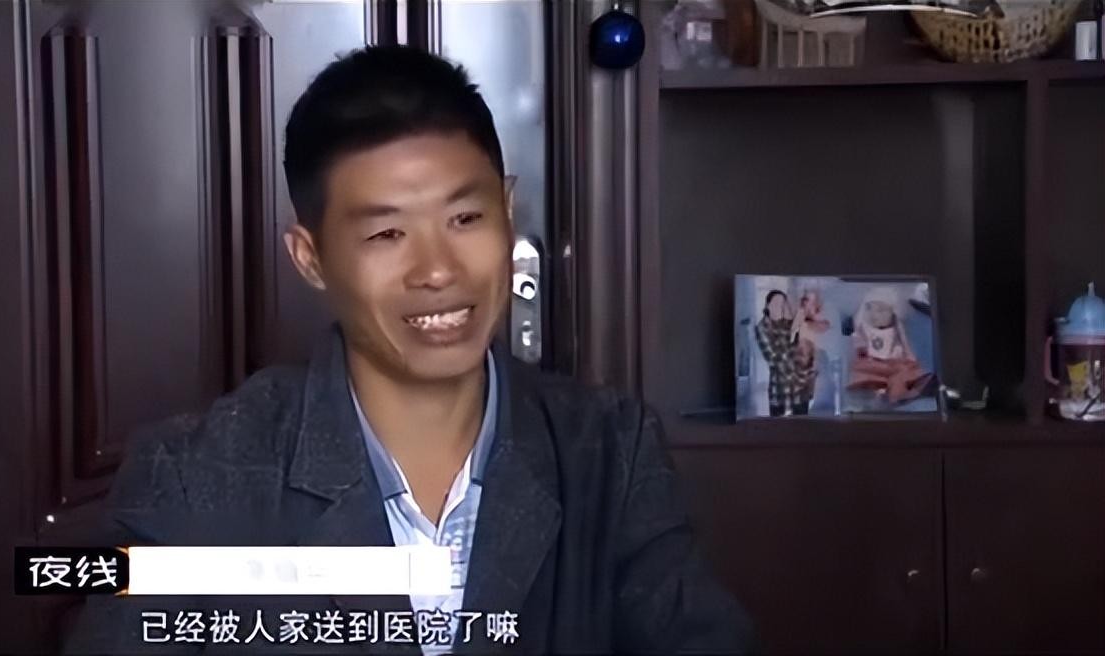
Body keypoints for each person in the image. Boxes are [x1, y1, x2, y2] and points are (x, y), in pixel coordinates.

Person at [64, 45, 753, 654]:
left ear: (507, 208)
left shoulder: (609, 451)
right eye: (386, 235)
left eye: (465, 218)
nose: (438, 270)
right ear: (310, 257)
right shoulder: (198, 475)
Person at [846, 287, 934, 404]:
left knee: (902, 375)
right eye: (869, 308)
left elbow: (905, 344)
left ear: (892, 312)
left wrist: (908, 356)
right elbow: (858, 343)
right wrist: (860, 349)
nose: (874, 315)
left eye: (881, 310)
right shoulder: (863, 328)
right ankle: (874, 395)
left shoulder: (898, 328)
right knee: (863, 376)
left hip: (894, 364)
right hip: (872, 365)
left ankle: (898, 397)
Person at [754, 290, 816, 416]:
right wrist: (793, 332)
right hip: (780, 394)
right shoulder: (762, 327)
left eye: (783, 303)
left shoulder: (787, 323)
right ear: (767, 306)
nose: (780, 307)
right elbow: (774, 359)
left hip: (800, 393)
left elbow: (804, 353)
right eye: (776, 303)